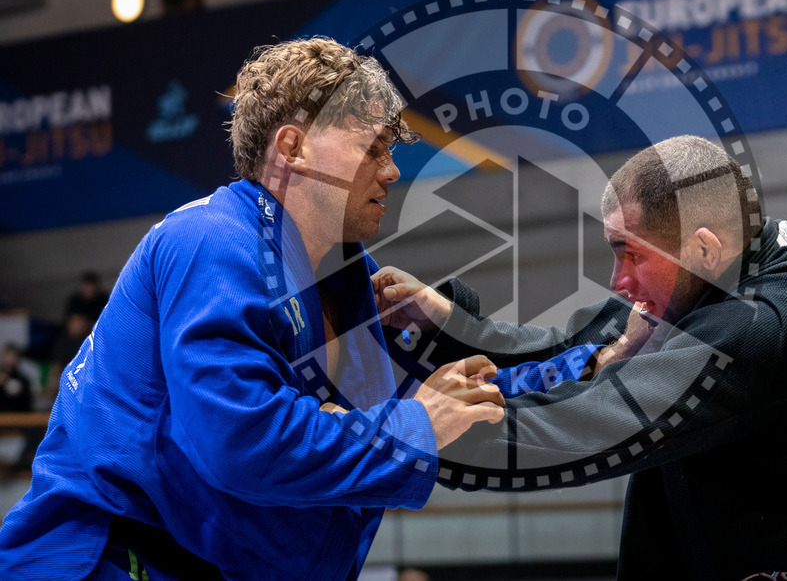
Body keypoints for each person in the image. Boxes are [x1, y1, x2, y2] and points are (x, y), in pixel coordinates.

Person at [373, 135, 787, 579]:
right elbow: (575, 341)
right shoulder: (703, 296)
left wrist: (403, 439)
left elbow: (583, 427)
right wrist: (443, 323)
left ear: (705, 249)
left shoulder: (766, 331)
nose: (618, 280)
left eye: (631, 254)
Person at [0, 37, 505, 580]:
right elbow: (244, 442)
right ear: (292, 148)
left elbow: (453, 401)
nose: (391, 171)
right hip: (111, 558)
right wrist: (412, 425)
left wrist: (595, 356)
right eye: (372, 148)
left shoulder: (347, 278)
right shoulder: (211, 241)